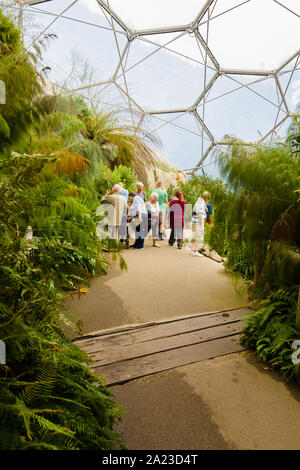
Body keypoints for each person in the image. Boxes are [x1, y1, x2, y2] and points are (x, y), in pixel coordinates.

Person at [191, 191, 209, 257]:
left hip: (194, 221)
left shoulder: (198, 201)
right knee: (198, 235)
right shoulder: (201, 203)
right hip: (198, 222)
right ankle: (196, 251)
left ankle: (193, 250)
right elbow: (200, 213)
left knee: (194, 235)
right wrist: (201, 223)